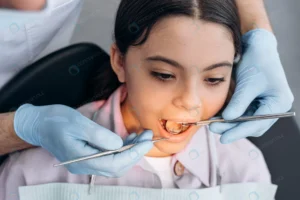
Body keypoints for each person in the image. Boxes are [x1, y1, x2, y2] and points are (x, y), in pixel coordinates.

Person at [0, 1, 275, 199]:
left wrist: (260, 29)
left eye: (214, 79)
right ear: (119, 61)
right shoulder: (34, 170)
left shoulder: (245, 167)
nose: (191, 102)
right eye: (164, 74)